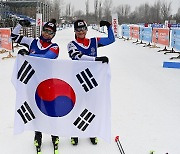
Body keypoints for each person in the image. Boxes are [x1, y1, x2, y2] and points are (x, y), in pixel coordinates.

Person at [11, 18, 60, 153]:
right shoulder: (32, 42)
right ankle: (38, 135)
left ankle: (54, 135)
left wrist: (29, 56)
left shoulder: (54, 46)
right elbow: (13, 37)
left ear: (53, 35)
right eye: (45, 30)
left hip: (48, 84)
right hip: (33, 84)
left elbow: (48, 58)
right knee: (36, 111)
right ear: (42, 30)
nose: (47, 34)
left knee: (51, 110)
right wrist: (19, 24)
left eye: (50, 32)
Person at [67, 19, 115, 145]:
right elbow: (76, 56)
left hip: (91, 81)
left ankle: (92, 132)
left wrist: (109, 26)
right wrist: (96, 59)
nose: (81, 31)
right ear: (75, 31)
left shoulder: (93, 41)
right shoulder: (71, 44)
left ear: (87, 30)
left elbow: (111, 39)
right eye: (78, 29)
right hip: (77, 80)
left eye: (83, 29)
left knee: (91, 108)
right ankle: (74, 133)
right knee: (76, 108)